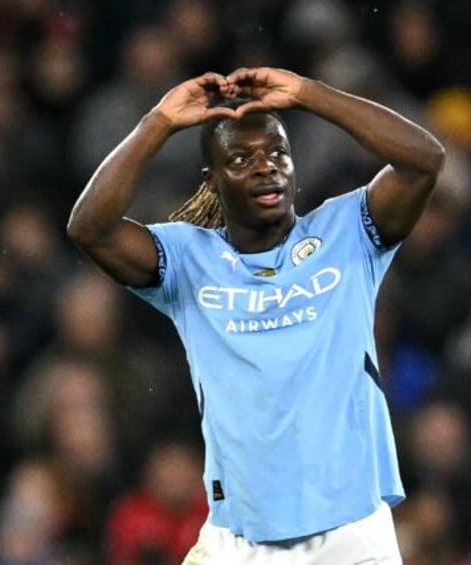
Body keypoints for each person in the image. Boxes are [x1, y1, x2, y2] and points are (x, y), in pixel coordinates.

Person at [67, 67, 445, 563]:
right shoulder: (187, 258)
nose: (266, 167)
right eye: (241, 158)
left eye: (278, 154)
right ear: (213, 179)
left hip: (351, 533)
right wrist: (158, 122)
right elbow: (90, 228)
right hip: (242, 540)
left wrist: (310, 95)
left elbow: (424, 160)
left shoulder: (347, 230)